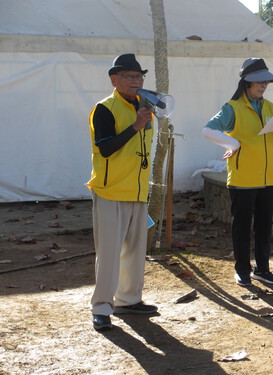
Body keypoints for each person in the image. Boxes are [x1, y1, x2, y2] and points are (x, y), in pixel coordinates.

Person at [202, 58, 273, 287]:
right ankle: (242, 269)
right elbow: (208, 130)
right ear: (246, 83)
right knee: (242, 227)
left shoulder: (270, 107)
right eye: (258, 82)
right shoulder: (232, 108)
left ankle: (263, 269)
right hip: (243, 178)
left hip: (268, 177)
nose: (262, 85)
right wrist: (232, 144)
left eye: (265, 81)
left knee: (264, 226)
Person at [87, 53, 158, 331]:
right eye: (130, 76)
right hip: (110, 190)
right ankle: (102, 307)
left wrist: (144, 120)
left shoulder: (144, 106)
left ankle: (129, 299)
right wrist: (136, 126)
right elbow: (105, 147)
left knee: (135, 251)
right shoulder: (105, 108)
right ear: (114, 80)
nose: (136, 81)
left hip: (137, 190)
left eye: (139, 76)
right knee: (108, 253)